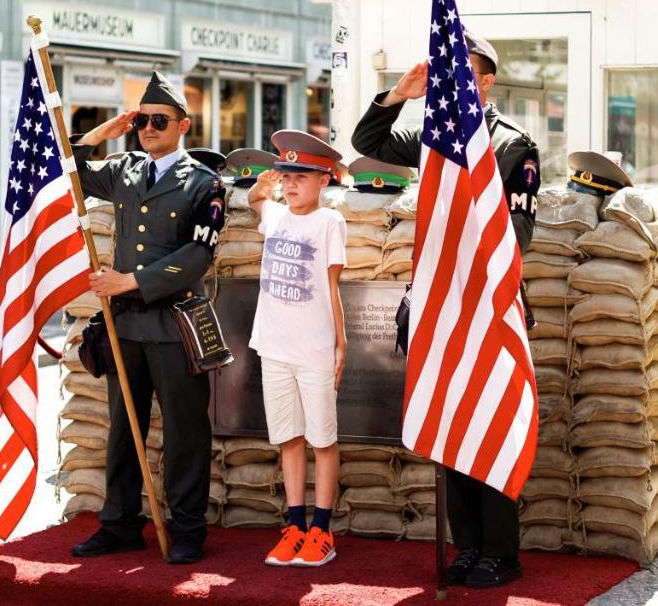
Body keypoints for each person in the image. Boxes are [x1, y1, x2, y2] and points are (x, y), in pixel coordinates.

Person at [351, 32, 540, 589]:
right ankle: (469, 545)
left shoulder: (512, 144)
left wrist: (468, 241)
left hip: (486, 306)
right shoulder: (434, 135)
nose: (451, 83)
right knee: (451, 429)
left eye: (462, 74)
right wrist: (400, 93)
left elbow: (521, 229)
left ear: (485, 82)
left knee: (491, 430)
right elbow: (369, 141)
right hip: (440, 307)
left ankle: (502, 552)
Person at [67, 71, 226, 564]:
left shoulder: (205, 183)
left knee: (184, 430)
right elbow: (65, 172)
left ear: (184, 125)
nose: (148, 128)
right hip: (127, 325)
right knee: (123, 426)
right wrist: (98, 135)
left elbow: (199, 256)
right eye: (142, 121)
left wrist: (128, 282)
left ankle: (187, 529)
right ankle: (118, 523)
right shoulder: (126, 169)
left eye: (159, 120)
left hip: (174, 324)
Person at [246, 130, 348, 568]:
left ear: (323, 180)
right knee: (288, 437)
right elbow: (254, 201)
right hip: (273, 345)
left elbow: (332, 284)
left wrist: (341, 342)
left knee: (322, 438)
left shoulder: (329, 222)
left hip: (314, 347)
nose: (291, 184)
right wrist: (262, 184)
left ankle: (322, 529)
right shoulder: (274, 214)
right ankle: (294, 526)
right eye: (286, 175)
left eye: (301, 176)